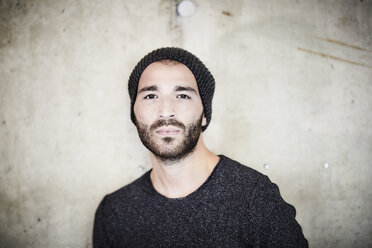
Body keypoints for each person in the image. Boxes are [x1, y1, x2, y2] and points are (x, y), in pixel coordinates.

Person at [93, 47, 308, 247]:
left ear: (204, 114)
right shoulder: (114, 212)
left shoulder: (255, 198)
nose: (166, 111)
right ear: (134, 113)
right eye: (151, 96)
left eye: (183, 95)